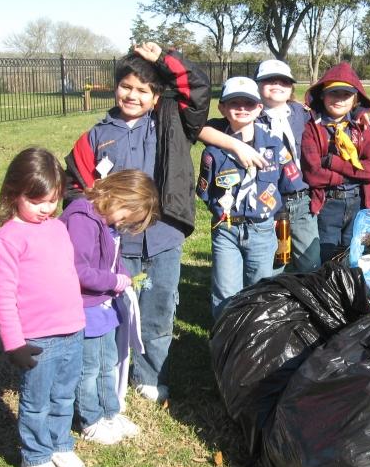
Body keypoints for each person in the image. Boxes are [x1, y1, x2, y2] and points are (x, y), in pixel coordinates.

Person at [64, 42, 210, 403]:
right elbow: (75, 186)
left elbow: (199, 89)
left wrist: (160, 60)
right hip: (116, 243)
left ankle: (149, 375)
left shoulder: (172, 123)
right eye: (126, 86)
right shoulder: (96, 136)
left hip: (163, 238)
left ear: (156, 96)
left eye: (143, 89)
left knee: (159, 310)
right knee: (115, 311)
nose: (133, 95)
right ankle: (112, 372)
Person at [0, 148, 86, 467]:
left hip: (73, 331)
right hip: (38, 340)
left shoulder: (58, 228)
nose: (47, 209)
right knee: (36, 402)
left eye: (53, 200)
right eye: (38, 201)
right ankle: (36, 454)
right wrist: (14, 344)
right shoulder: (7, 239)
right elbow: (3, 297)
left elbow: (66, 275)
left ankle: (60, 444)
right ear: (14, 192)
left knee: (64, 395)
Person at [60, 170, 159, 445]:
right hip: (83, 307)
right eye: (126, 218)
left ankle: (109, 412)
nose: (123, 225)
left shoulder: (107, 223)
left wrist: (122, 277)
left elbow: (112, 260)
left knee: (108, 363)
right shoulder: (83, 219)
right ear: (116, 196)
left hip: (103, 306)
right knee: (88, 367)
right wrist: (114, 281)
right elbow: (77, 270)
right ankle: (89, 419)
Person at [200, 59, 320, 273]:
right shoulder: (245, 115)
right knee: (272, 263)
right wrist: (236, 144)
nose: (277, 84)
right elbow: (199, 130)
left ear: (292, 87)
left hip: (299, 197)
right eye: (268, 80)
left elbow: (335, 110)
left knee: (309, 262)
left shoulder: (302, 113)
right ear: (256, 86)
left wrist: (360, 114)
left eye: (284, 81)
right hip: (263, 203)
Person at [196, 76, 289, 319]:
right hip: (226, 230)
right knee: (225, 293)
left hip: (262, 230)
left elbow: (287, 184)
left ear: (259, 108)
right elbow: (206, 193)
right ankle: (225, 347)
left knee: (260, 292)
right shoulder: (214, 151)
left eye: (248, 104)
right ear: (222, 108)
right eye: (234, 103)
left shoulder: (274, 146)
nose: (242, 109)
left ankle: (254, 345)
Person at [301, 61, 370, 262]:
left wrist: (335, 163)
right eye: (334, 93)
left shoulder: (361, 128)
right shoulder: (312, 128)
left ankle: (350, 293)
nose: (339, 99)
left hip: (358, 202)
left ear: (355, 98)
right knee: (327, 258)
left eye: (346, 95)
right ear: (322, 95)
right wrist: (355, 174)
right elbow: (313, 173)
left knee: (353, 256)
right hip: (328, 203)